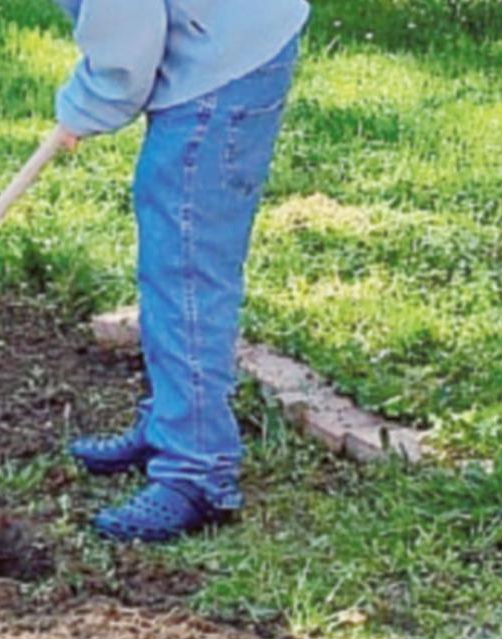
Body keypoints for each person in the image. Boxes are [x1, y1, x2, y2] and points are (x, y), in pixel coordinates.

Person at [53, 0, 310, 543]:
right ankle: (173, 417)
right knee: (175, 242)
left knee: (186, 263)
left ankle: (198, 471)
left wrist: (89, 103)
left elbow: (127, 39)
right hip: (227, 36)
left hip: (223, 60)